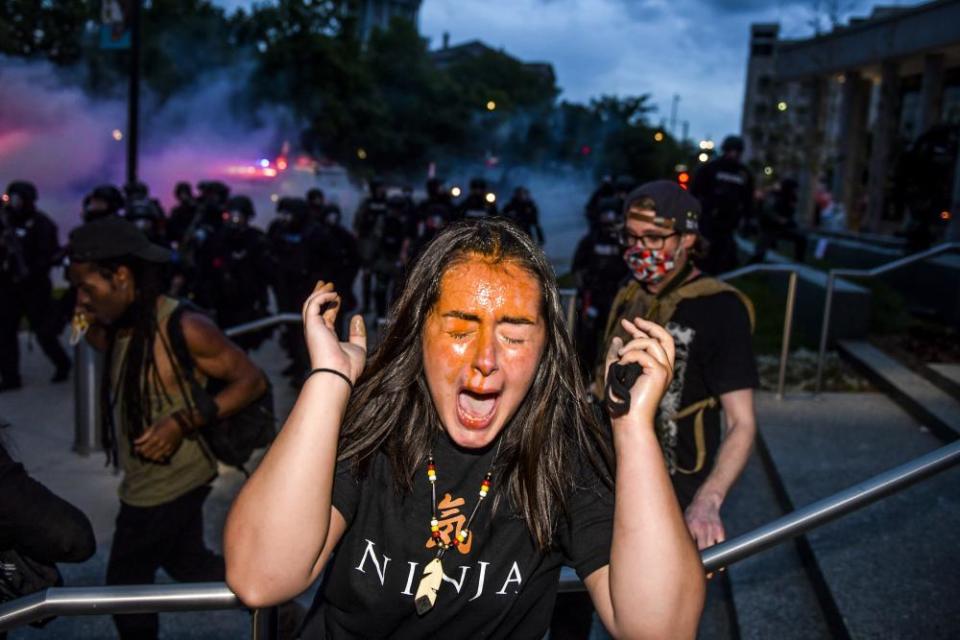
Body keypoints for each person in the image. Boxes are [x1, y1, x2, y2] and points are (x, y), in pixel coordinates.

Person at [224, 218, 705, 639]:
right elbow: (260, 577)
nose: (485, 362)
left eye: (514, 335)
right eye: (458, 331)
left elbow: (661, 629)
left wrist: (633, 426)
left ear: (544, 351)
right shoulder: (375, 422)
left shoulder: (562, 450)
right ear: (419, 332)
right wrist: (330, 380)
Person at [66, 217, 268, 640]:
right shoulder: (119, 319)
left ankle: (275, 610)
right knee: (187, 562)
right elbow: (101, 347)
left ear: (121, 276)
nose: (80, 297)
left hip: (172, 479)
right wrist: (85, 318)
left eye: (88, 288)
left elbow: (251, 381)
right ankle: (277, 611)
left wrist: (181, 422)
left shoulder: (185, 326)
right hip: (147, 474)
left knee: (125, 585)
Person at [598, 180, 758, 553]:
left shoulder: (720, 307)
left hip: (678, 491)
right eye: (632, 237)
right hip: (612, 479)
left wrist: (708, 500)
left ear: (687, 238)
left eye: (654, 238)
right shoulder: (629, 293)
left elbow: (742, 422)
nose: (640, 250)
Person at [0, 181, 72, 391]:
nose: (14, 202)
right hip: (7, 286)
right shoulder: (5, 221)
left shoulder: (42, 224)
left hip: (35, 287)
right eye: (11, 197)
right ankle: (10, 377)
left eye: (18, 198)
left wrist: (31, 269)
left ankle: (62, 364)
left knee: (44, 332)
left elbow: (49, 254)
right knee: (5, 333)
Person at [571, 198, 629, 382]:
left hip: (617, 297)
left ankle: (614, 376)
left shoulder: (625, 242)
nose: (609, 222)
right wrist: (583, 291)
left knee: (617, 337)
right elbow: (578, 267)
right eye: (606, 218)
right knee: (587, 337)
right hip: (593, 297)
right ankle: (584, 377)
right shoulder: (590, 240)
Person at [690, 135, 754, 275]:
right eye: (731, 151)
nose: (733, 154)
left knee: (724, 256)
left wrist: (748, 219)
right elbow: (695, 191)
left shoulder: (743, 173)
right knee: (704, 254)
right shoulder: (711, 168)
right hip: (708, 219)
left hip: (729, 222)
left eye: (737, 151)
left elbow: (748, 199)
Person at [750, 178, 808, 264]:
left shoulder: (791, 198)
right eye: (794, 189)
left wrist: (789, 222)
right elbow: (767, 210)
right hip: (769, 228)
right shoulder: (775, 196)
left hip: (782, 228)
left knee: (801, 238)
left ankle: (798, 262)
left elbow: (790, 212)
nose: (795, 191)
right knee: (760, 251)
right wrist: (780, 219)